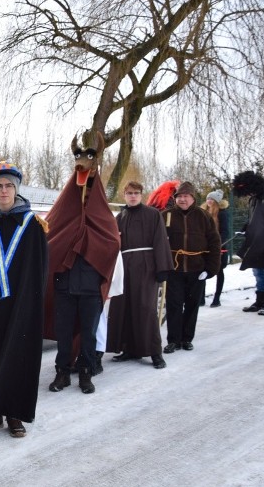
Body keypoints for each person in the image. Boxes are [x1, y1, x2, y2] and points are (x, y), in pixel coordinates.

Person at [0, 162, 48, 438]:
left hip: (20, 302)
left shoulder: (34, 225)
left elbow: (39, 270)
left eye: (9, 186)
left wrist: (30, 303)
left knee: (18, 355)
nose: (4, 191)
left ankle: (15, 414)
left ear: (17, 189)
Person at [45, 131, 120, 395]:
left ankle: (86, 373)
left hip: (89, 284)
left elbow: (111, 242)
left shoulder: (102, 212)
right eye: (78, 157)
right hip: (64, 283)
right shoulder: (65, 206)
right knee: (64, 331)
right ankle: (62, 373)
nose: (82, 163)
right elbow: (50, 233)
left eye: (88, 157)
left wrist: (89, 244)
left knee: (88, 333)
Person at [106, 181, 173, 368]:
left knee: (145, 308)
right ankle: (128, 348)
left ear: (141, 195)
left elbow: (160, 240)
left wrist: (162, 269)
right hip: (124, 266)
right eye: (129, 193)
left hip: (146, 266)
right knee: (124, 307)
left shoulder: (153, 215)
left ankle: (154, 352)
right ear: (124, 195)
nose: (133, 196)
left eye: (136, 193)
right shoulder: (119, 218)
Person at [161, 182, 221, 353]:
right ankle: (173, 340)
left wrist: (210, 269)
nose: (182, 199)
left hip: (197, 269)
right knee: (173, 305)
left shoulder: (204, 216)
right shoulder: (166, 215)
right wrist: (162, 266)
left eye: (186, 196)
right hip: (174, 269)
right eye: (179, 196)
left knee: (192, 305)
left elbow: (214, 243)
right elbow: (157, 242)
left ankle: (187, 338)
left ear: (193, 198)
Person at [232, 171, 264, 316]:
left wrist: (262, 238)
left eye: (248, 192)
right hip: (257, 239)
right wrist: (246, 227)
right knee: (257, 269)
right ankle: (260, 300)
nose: (248, 195)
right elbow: (254, 218)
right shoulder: (255, 197)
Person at [202, 189, 230, 308]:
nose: (209, 201)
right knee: (201, 271)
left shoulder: (222, 214)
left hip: (219, 247)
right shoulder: (203, 212)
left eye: (212, 199)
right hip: (204, 247)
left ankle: (217, 298)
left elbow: (225, 232)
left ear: (217, 201)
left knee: (219, 271)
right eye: (208, 198)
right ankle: (201, 298)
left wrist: (218, 245)